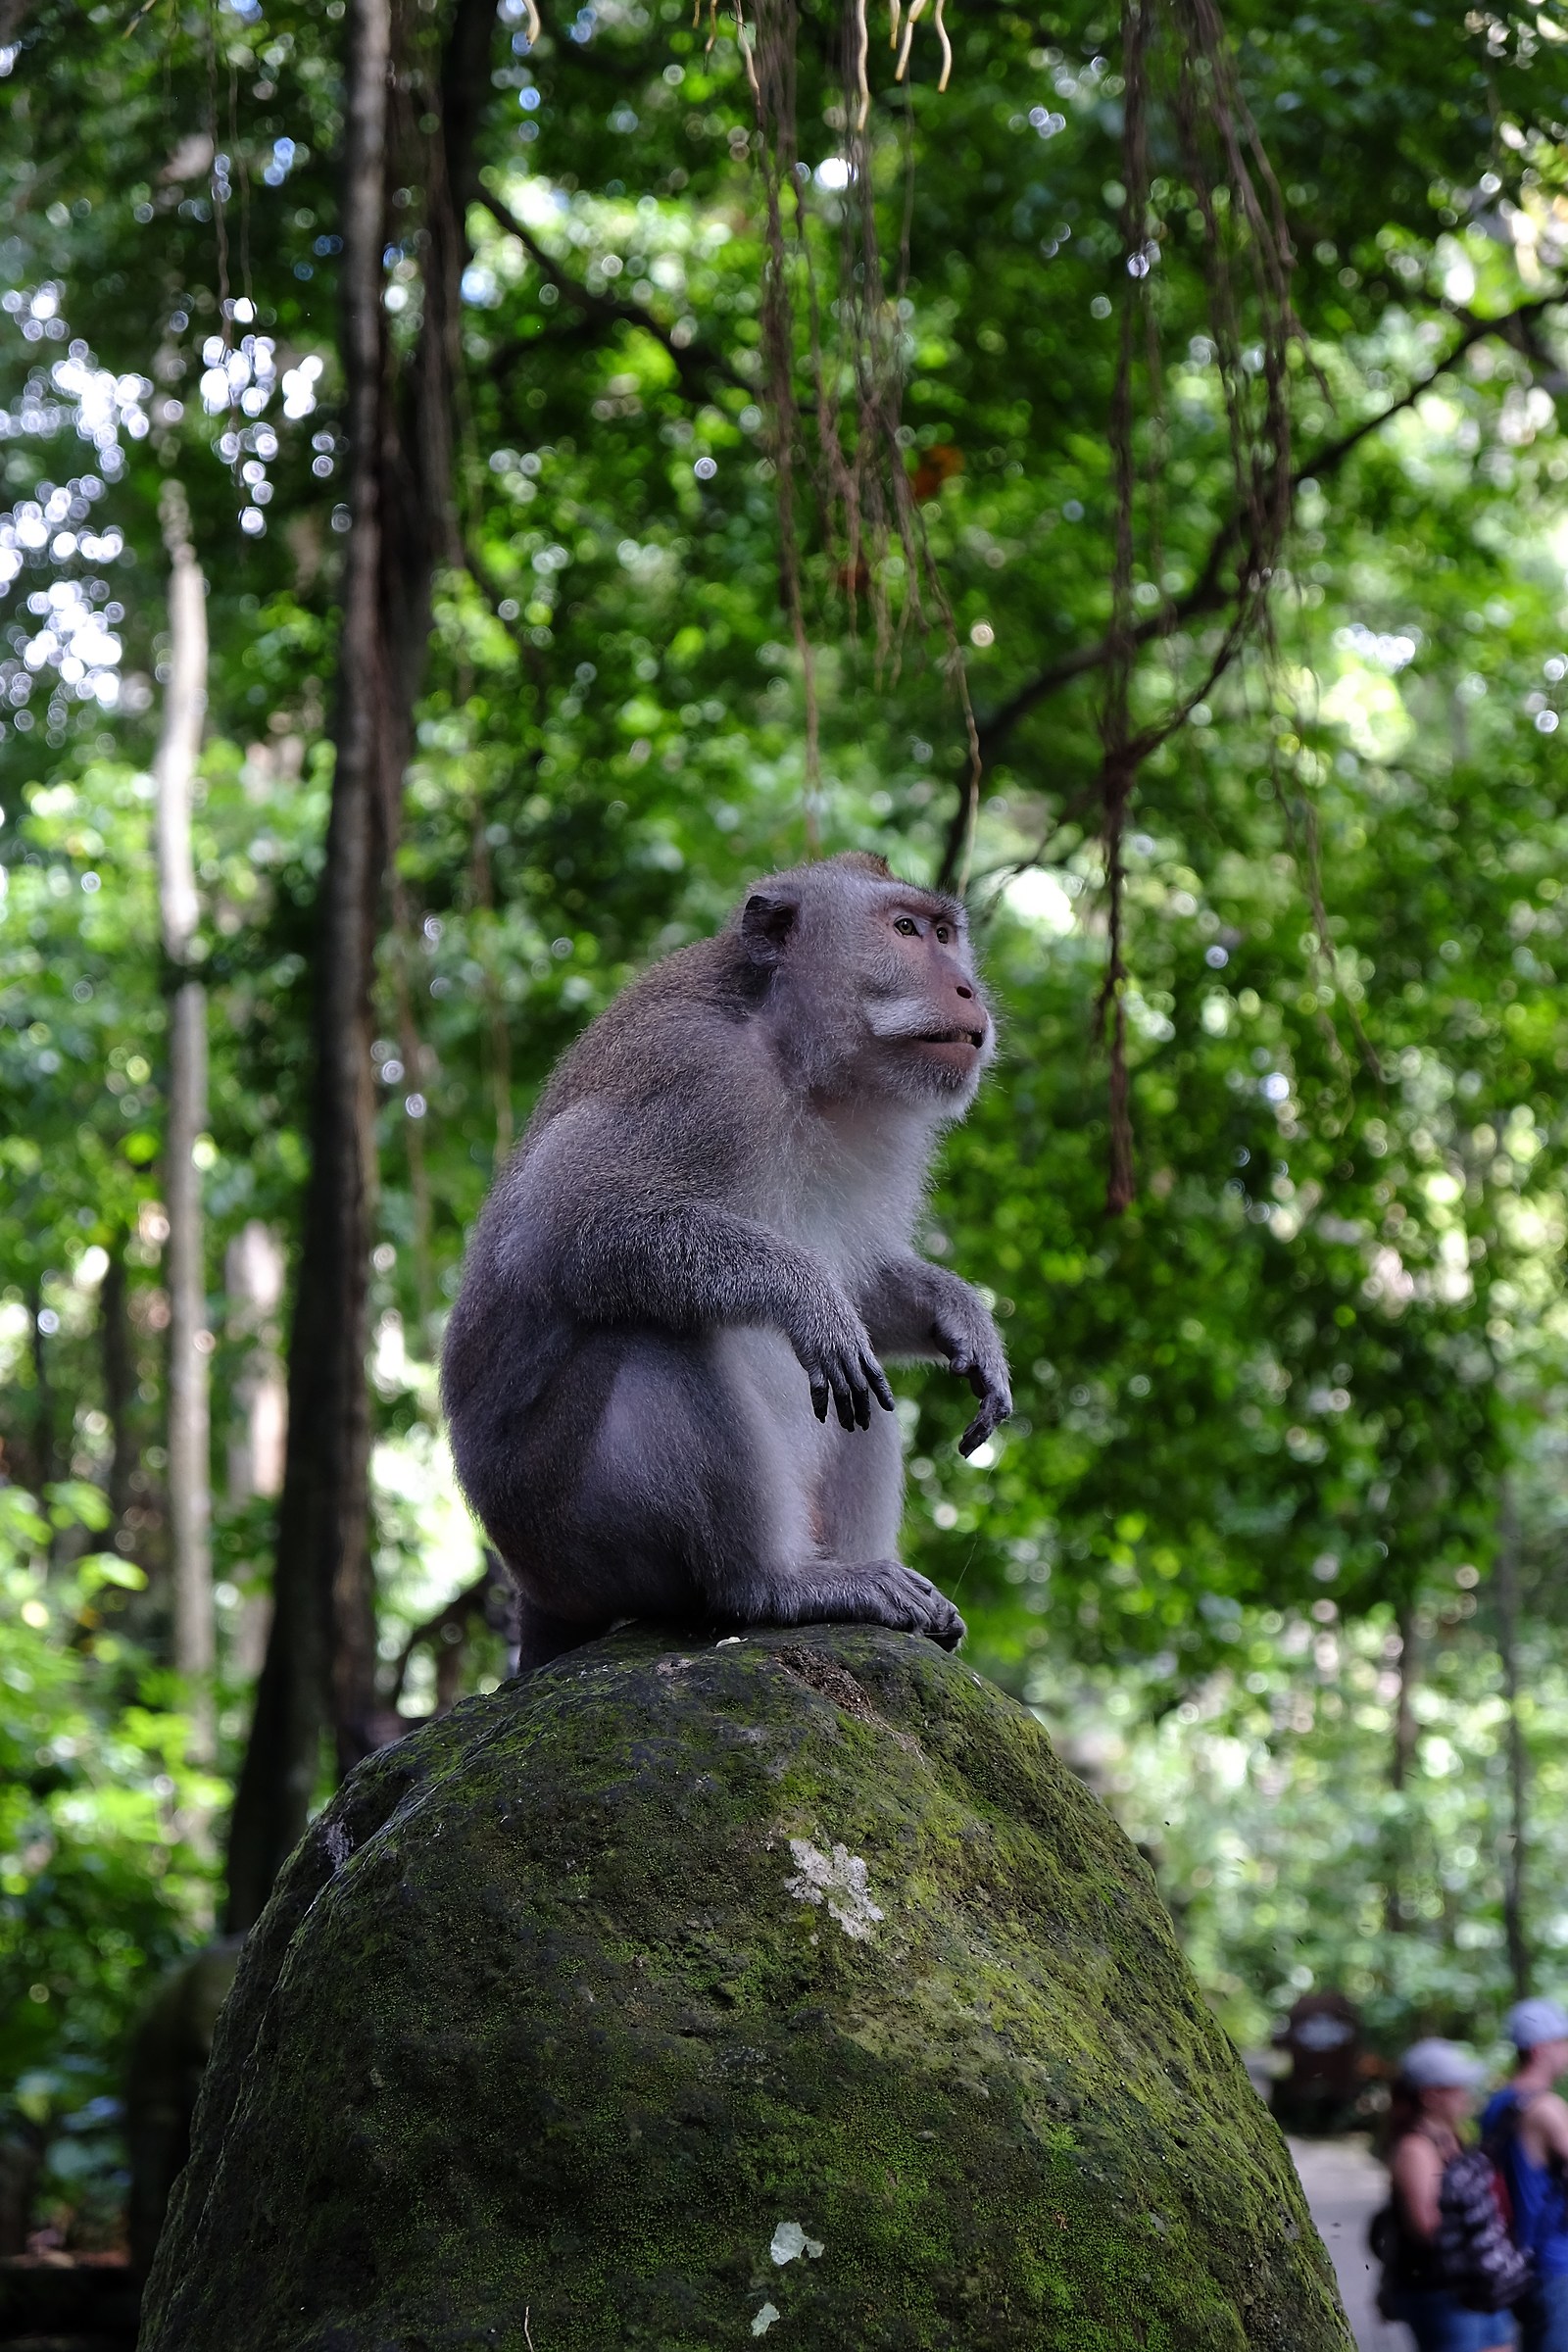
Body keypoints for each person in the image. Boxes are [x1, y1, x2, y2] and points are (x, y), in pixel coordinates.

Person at [1380, 2037, 1515, 2352]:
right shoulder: (1415, 2149)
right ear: (1431, 2096)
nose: (1466, 2097)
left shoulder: (1451, 2137)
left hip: (1476, 2281)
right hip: (1440, 2290)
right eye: (1458, 2088)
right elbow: (1425, 2228)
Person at [1482, 1999, 1568, 2352]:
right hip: (1553, 2262)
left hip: (1515, 2258)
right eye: (1563, 2042)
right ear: (1540, 2049)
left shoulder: (1498, 2104)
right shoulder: (1546, 2107)